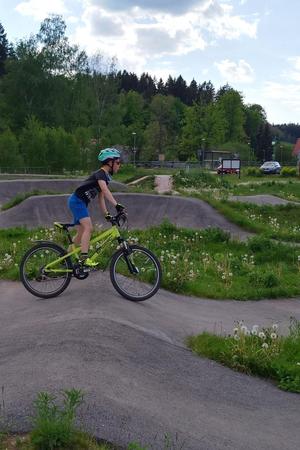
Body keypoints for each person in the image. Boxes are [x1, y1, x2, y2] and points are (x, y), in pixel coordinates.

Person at [67, 148, 125, 266]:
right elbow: (104, 189)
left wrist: (106, 214)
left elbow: (101, 198)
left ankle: (64, 258)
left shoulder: (105, 177)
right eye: (118, 162)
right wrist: (116, 205)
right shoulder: (100, 174)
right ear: (110, 162)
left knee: (80, 233)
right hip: (77, 201)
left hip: (79, 202)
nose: (120, 165)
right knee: (88, 227)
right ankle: (84, 258)